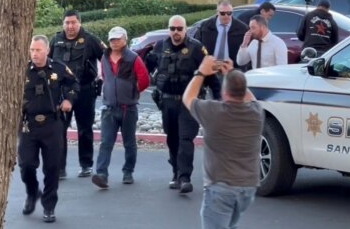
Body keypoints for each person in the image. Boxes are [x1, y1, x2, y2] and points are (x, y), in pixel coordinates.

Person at [182, 57, 263, 229]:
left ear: (224, 92)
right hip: (248, 188)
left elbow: (188, 97)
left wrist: (201, 72)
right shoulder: (257, 113)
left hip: (221, 187)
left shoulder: (213, 112)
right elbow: (250, 98)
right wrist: (232, 74)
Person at [153, 15, 222, 194]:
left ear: (185, 29)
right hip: (168, 101)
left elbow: (212, 76)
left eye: (179, 29)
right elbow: (150, 68)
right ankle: (176, 172)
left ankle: (185, 178)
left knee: (185, 139)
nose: (176, 32)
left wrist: (219, 99)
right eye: (173, 28)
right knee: (172, 138)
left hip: (189, 102)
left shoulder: (197, 48)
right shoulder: (160, 47)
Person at [20, 35, 79, 223]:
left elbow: (74, 84)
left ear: (47, 50)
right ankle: (32, 192)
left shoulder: (58, 68)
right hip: (28, 124)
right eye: (32, 50)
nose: (34, 54)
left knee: (52, 168)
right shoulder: (23, 70)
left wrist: (69, 99)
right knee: (26, 165)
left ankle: (49, 206)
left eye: (38, 50)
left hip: (52, 123)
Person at [49, 10, 105, 179]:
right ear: (63, 24)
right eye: (67, 23)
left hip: (85, 90)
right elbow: (48, 62)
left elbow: (108, 58)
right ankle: (59, 168)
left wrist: (105, 78)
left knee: (84, 129)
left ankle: (86, 165)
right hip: (62, 92)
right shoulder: (56, 40)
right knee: (59, 130)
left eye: (73, 22)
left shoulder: (90, 40)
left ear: (79, 23)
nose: (70, 26)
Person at [92, 27, 150, 189]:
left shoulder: (133, 58)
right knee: (106, 142)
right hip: (109, 107)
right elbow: (104, 76)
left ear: (125, 40)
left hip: (128, 108)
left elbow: (144, 78)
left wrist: (134, 91)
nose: (115, 42)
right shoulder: (104, 57)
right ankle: (101, 174)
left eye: (118, 39)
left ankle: (128, 172)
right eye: (112, 39)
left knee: (129, 142)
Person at [195, 0, 248, 68]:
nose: (226, 16)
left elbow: (247, 52)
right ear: (217, 12)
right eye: (223, 13)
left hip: (232, 69)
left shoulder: (242, 29)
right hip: (210, 68)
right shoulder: (205, 26)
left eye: (229, 13)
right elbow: (197, 46)